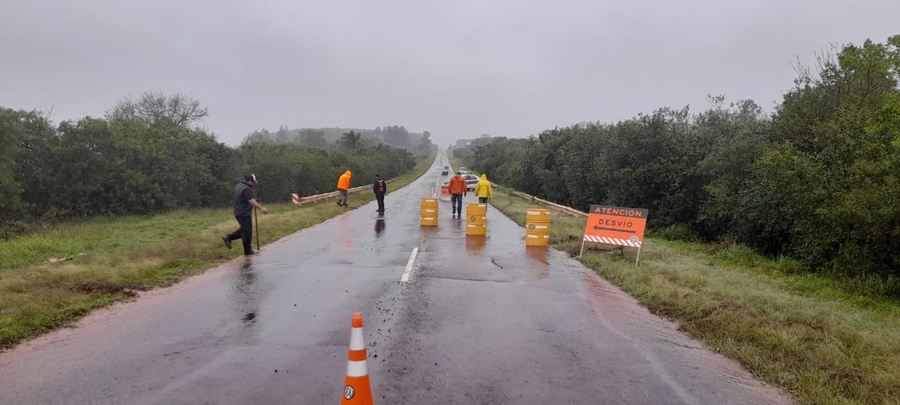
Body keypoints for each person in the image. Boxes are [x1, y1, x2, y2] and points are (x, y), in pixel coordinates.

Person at [223, 174, 268, 255]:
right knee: (247, 232)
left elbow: (244, 197)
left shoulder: (239, 185)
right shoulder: (246, 189)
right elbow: (250, 200)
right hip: (244, 213)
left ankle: (229, 237)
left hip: (238, 212)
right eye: (253, 182)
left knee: (245, 230)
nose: (253, 184)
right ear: (250, 181)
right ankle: (247, 250)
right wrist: (261, 208)